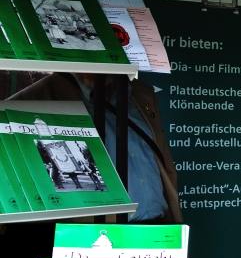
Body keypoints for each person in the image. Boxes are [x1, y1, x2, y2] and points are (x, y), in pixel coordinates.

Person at [12, 72, 182, 223]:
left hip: (158, 229)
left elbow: (162, 163)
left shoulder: (141, 94)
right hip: (88, 235)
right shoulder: (30, 101)